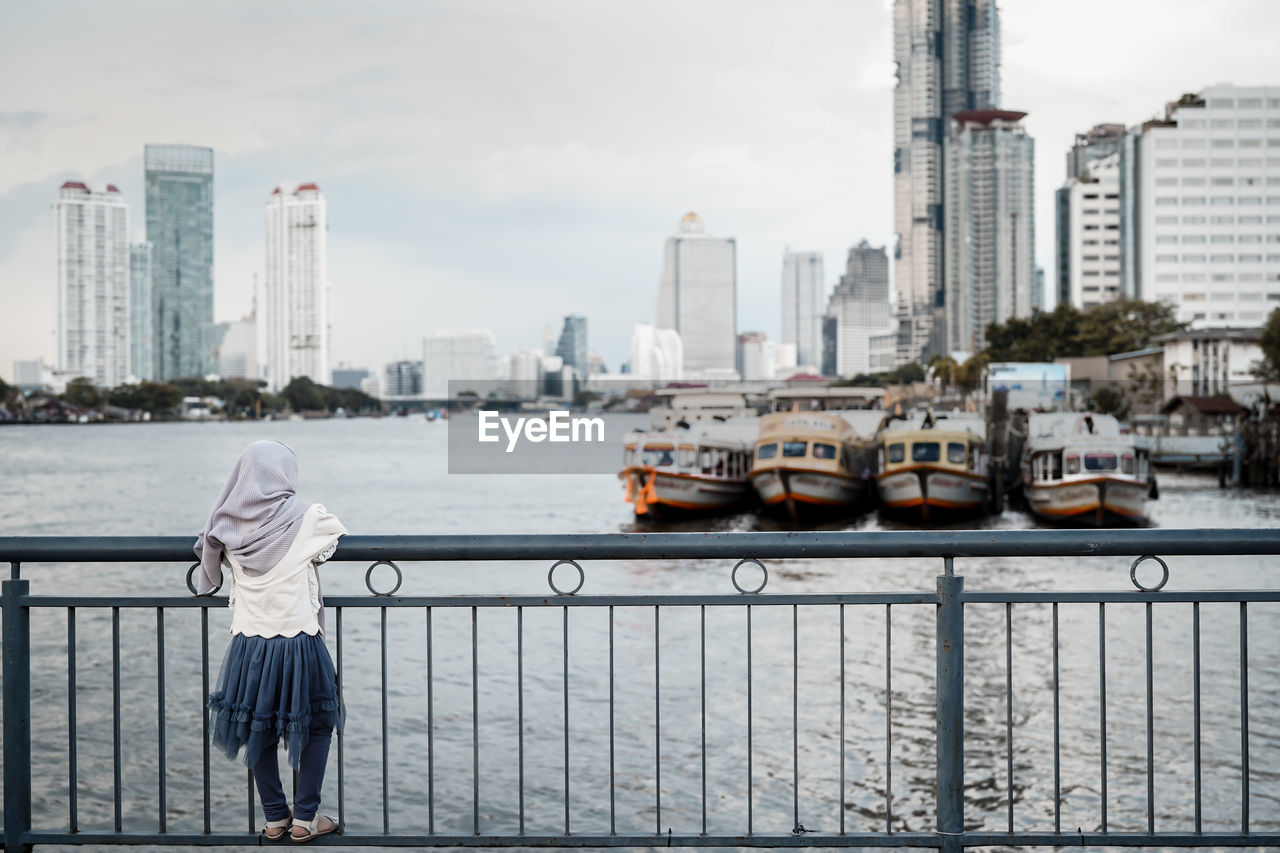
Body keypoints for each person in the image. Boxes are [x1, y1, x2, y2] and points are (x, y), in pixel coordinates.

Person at [194, 440, 346, 842]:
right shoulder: (307, 515)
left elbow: (213, 554)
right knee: (318, 723)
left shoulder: (223, 524)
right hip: (298, 639)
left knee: (254, 724)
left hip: (249, 644)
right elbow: (333, 541)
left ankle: (276, 817)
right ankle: (306, 818)